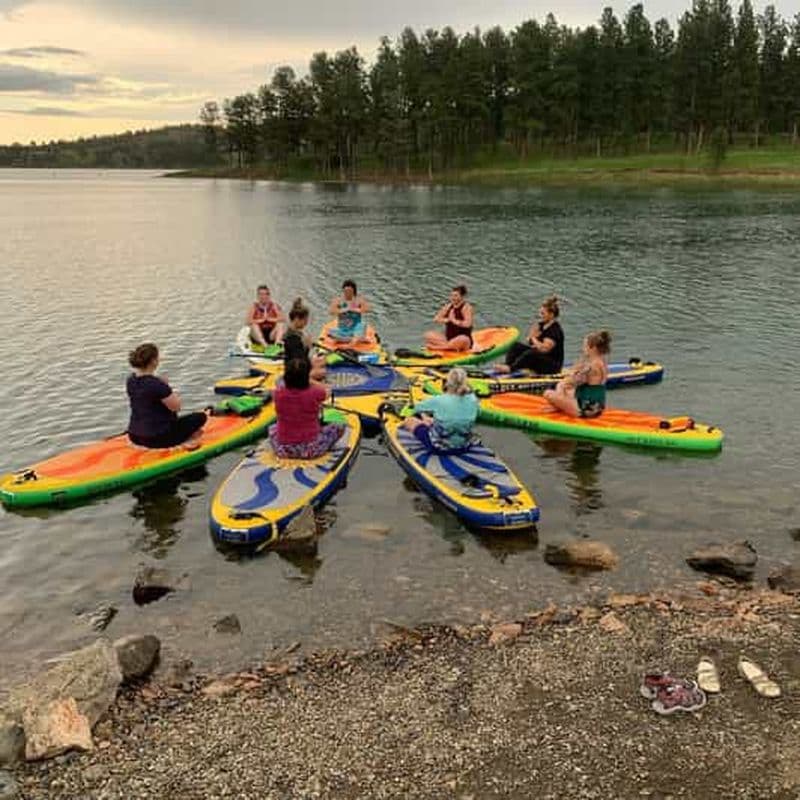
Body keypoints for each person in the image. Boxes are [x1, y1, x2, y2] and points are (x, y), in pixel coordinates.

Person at [127, 343, 207, 449]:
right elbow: (176, 407)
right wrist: (166, 386)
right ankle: (186, 440)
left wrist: (159, 383)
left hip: (134, 436)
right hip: (157, 439)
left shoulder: (131, 380)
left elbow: (146, 394)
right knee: (200, 417)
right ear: (153, 361)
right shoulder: (157, 385)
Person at [270, 358, 345, 459]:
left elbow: (279, 381)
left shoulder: (277, 393)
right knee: (339, 425)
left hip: (283, 448)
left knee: (272, 428)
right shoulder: (315, 392)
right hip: (310, 449)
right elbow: (328, 391)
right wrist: (313, 381)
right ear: (307, 375)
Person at [403, 367, 479, 451]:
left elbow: (415, 407)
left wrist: (422, 415)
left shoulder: (439, 399)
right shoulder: (473, 399)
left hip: (439, 447)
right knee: (434, 420)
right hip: (464, 446)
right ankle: (428, 422)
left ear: (448, 383)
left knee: (410, 421)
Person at [544, 330, 611, 418]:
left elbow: (572, 381)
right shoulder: (602, 362)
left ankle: (562, 407)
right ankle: (562, 406)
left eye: (585, 346)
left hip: (587, 409)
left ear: (593, 348)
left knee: (548, 393)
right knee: (567, 391)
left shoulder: (591, 366)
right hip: (598, 406)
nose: (583, 349)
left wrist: (569, 377)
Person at [497, 295, 564, 375]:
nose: (540, 316)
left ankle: (511, 369)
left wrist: (533, 338)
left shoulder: (554, 331)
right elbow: (529, 341)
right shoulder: (540, 325)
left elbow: (544, 349)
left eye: (543, 313)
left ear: (551, 314)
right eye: (540, 313)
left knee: (532, 353)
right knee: (516, 346)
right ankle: (508, 365)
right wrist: (532, 339)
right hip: (540, 359)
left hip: (552, 366)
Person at [283, 297, 327, 382]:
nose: (306, 323)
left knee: (323, 360)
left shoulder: (296, 332)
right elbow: (300, 362)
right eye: (305, 320)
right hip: (295, 372)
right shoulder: (292, 338)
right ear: (296, 319)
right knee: (323, 372)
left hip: (301, 363)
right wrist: (307, 347)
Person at [424, 285, 474, 352]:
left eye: (456, 296)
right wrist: (447, 320)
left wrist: (454, 320)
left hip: (462, 340)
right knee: (428, 335)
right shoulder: (449, 306)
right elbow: (436, 318)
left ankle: (437, 348)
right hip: (449, 339)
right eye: (452, 295)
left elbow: (468, 324)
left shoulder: (466, 308)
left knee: (463, 339)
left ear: (462, 297)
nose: (453, 298)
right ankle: (449, 347)